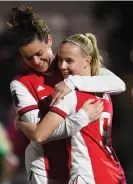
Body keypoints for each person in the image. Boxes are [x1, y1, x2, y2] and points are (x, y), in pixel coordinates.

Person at [8, 4, 126, 184]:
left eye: (39, 53)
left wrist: (72, 82)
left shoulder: (73, 65)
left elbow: (118, 84)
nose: (36, 62)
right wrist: (81, 118)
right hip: (45, 167)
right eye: (28, 57)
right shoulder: (20, 83)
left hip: (82, 165)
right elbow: (42, 132)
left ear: (49, 40)